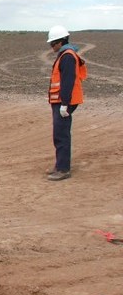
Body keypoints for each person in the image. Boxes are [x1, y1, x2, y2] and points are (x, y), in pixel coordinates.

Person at [46, 25, 87, 181]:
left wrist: (65, 104)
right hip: (61, 101)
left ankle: (63, 169)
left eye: (52, 43)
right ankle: (60, 165)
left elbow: (68, 81)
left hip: (64, 102)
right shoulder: (65, 55)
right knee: (59, 133)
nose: (51, 47)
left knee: (61, 134)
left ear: (60, 42)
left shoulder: (68, 56)